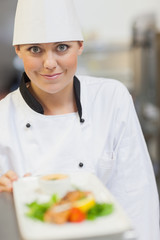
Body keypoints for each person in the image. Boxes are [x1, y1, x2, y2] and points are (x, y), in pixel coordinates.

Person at [0, 0, 159, 239]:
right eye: (35, 49)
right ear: (18, 50)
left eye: (62, 47)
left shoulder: (111, 99)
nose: (49, 63)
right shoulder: (3, 116)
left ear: (80, 46)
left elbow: (137, 195)